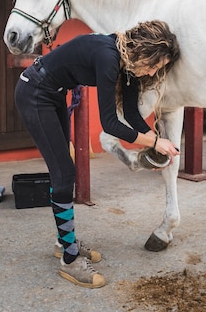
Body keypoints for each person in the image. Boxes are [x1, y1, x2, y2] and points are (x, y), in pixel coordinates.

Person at [14, 20, 181, 288]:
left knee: (63, 169)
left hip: (53, 93)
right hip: (34, 92)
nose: (152, 71)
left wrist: (157, 143)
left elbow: (130, 115)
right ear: (143, 51)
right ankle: (70, 259)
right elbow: (110, 124)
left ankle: (63, 242)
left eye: (158, 69)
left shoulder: (129, 66)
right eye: (154, 64)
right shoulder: (109, 56)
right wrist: (151, 140)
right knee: (65, 173)